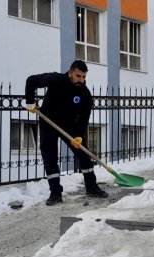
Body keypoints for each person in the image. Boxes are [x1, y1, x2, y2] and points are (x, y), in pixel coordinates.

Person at [25, 60, 108, 206]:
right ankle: (55, 193)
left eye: (84, 77)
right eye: (78, 76)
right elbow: (31, 80)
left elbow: (84, 117)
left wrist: (79, 135)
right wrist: (30, 102)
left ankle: (91, 187)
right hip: (48, 123)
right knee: (50, 158)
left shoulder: (84, 93)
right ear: (70, 73)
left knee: (83, 154)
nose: (81, 80)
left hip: (69, 126)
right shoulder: (55, 79)